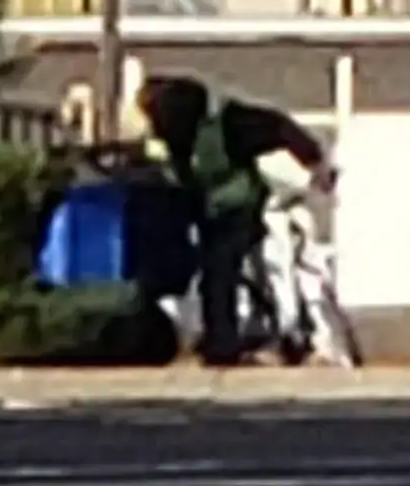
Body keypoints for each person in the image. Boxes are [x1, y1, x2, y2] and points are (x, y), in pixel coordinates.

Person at [138, 73, 331, 364]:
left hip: (238, 206)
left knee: (220, 272)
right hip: (207, 207)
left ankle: (224, 342)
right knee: (214, 272)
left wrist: (315, 164)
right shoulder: (178, 135)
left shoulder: (231, 123)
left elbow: (281, 128)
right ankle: (227, 334)